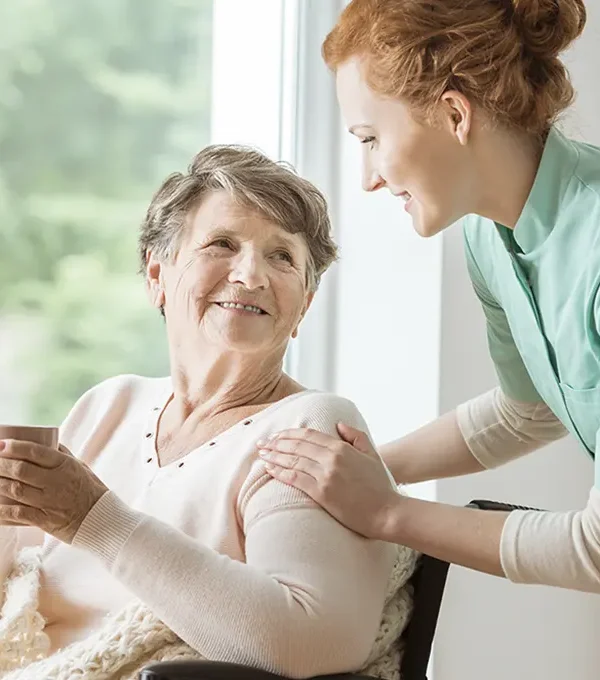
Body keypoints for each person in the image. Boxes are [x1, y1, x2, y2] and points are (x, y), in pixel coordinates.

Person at [0, 145, 416, 679]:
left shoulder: (309, 425)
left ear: (304, 305)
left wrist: (92, 519)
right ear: (157, 276)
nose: (250, 275)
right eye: (222, 244)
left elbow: (314, 642)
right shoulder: (109, 406)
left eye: (282, 257)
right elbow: (19, 590)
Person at [259, 0, 600, 594]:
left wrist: (387, 512)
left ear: (452, 114)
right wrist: (370, 470)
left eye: (369, 138)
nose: (367, 177)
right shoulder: (489, 233)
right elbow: (529, 411)